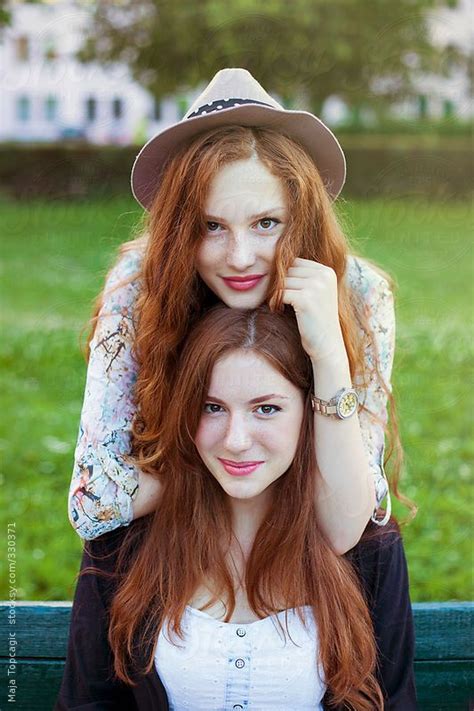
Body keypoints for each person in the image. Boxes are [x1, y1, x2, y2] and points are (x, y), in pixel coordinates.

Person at [68, 67, 416, 551]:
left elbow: (346, 522)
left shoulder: (358, 292)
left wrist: (330, 357)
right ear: (178, 229)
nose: (239, 256)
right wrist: (235, 463)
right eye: (211, 226)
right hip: (181, 549)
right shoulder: (139, 287)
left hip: (298, 554)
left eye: (266, 223)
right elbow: (95, 500)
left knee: (380, 547)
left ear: (303, 218)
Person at [56, 305, 417, 711]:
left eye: (267, 409)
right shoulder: (125, 541)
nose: (236, 440)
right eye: (212, 407)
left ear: (308, 413)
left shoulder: (368, 548)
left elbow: (393, 700)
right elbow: (87, 702)